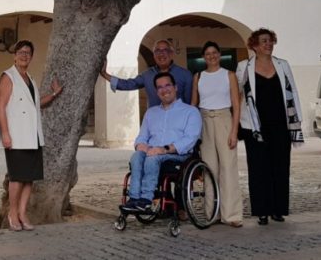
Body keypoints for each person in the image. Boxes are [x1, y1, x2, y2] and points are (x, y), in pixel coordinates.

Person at [236, 28, 303, 226]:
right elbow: (238, 95)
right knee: (258, 170)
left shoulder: (283, 65)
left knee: (280, 168)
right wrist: (237, 123)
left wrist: (296, 123)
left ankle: (278, 209)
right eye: (264, 41)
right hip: (255, 127)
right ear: (254, 45)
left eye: (271, 41)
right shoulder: (244, 66)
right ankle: (262, 211)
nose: (269, 44)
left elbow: (293, 92)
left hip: (280, 125)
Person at [0, 40, 62, 231]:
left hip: (33, 136)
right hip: (16, 137)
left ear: (31, 57)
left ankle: (23, 213)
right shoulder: (8, 77)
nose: (24, 55)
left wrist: (54, 94)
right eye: (21, 52)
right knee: (17, 178)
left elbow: (35, 104)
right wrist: (6, 134)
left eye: (28, 53)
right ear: (14, 55)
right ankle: (12, 213)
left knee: (29, 178)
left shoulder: (29, 79)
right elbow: (0, 107)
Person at [122, 72, 202, 212]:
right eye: (160, 87)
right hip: (152, 153)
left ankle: (146, 199)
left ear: (175, 87)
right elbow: (142, 136)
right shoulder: (151, 113)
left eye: (167, 85)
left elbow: (190, 139)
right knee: (137, 156)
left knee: (152, 159)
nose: (164, 90)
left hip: (178, 156)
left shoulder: (190, 112)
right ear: (156, 91)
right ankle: (134, 199)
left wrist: (165, 149)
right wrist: (140, 145)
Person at [191, 41, 243, 228]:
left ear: (219, 54)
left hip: (224, 119)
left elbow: (236, 105)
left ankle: (232, 214)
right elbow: (193, 105)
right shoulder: (198, 76)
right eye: (207, 53)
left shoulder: (229, 75)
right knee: (209, 168)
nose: (211, 56)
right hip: (205, 120)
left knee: (228, 167)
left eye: (214, 52)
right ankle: (212, 213)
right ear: (203, 57)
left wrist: (234, 131)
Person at [100, 39, 193, 108]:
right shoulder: (147, 75)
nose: (161, 54)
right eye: (157, 51)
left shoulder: (185, 75)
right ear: (154, 55)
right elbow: (127, 85)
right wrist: (104, 74)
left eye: (165, 50)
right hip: (155, 122)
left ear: (172, 53)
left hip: (178, 123)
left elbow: (189, 104)